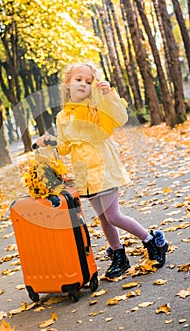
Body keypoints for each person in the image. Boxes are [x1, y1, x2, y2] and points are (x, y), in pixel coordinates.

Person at [36, 62, 168, 279]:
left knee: (113, 215)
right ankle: (118, 254)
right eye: (78, 79)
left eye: (88, 82)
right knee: (103, 218)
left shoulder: (97, 106)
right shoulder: (62, 116)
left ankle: (152, 240)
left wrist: (109, 95)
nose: (83, 84)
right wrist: (50, 141)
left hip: (103, 165)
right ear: (67, 83)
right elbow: (65, 147)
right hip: (84, 171)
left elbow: (121, 117)